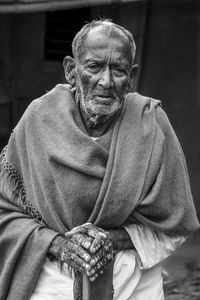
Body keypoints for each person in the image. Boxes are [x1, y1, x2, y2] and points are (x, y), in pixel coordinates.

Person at [0, 19, 199, 300]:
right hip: (51, 283)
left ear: (131, 77)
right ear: (72, 70)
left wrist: (114, 240)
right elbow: (6, 210)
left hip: (132, 285)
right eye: (94, 67)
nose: (106, 82)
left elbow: (177, 224)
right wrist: (60, 245)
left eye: (117, 69)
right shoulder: (39, 119)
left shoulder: (152, 125)